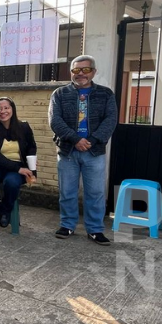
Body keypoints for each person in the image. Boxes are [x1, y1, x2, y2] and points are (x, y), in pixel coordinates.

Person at [49, 54, 118, 245]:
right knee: (67, 191)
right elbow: (55, 121)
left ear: (93, 72)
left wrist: (93, 140)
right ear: (71, 73)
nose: (81, 74)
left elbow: (110, 120)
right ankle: (67, 224)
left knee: (95, 192)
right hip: (68, 151)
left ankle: (95, 229)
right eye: (76, 70)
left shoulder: (106, 94)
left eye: (85, 70)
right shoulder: (59, 94)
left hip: (94, 151)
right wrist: (75, 139)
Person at [0, 97, 37, 228]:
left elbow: (31, 147)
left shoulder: (24, 127)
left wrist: (32, 170)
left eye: (6, 108)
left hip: (17, 166)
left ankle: (5, 211)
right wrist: (18, 169)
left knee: (11, 182)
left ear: (12, 109)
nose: (3, 111)